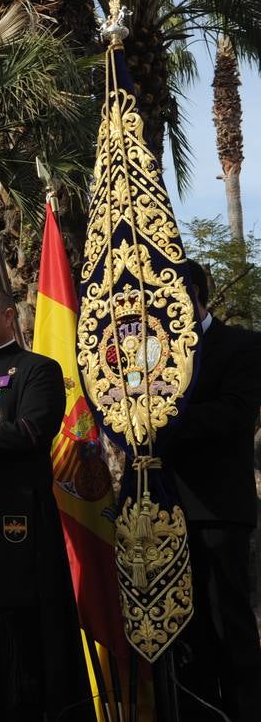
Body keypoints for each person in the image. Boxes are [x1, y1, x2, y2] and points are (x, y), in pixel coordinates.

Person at [0, 285, 93, 721]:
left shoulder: (38, 370)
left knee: (18, 619)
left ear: (9, 316)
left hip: (18, 516)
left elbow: (30, 430)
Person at [155, 260, 261, 720]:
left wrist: (165, 414)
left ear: (193, 293)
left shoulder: (241, 345)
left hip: (216, 508)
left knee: (226, 625)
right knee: (181, 634)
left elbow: (235, 415)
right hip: (159, 508)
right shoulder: (151, 351)